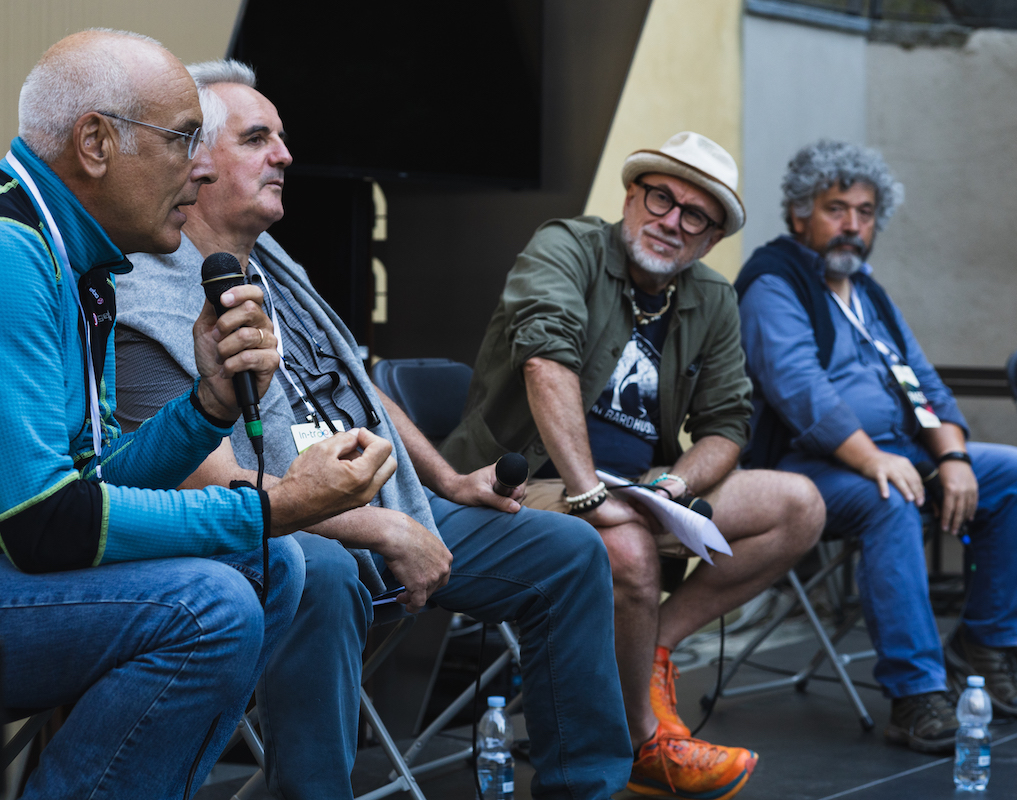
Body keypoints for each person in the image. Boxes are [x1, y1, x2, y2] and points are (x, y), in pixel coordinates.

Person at [113, 60, 630, 800]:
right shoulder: (141, 294)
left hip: (388, 497)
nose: (286, 155)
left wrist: (448, 482)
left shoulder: (276, 263)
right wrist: (381, 532)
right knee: (318, 572)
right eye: (259, 139)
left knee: (571, 550)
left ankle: (588, 787)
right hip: (283, 526)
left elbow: (361, 384)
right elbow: (212, 480)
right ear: (195, 162)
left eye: (281, 138)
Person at [0, 31, 396, 800]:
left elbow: (89, 482)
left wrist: (207, 404)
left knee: (275, 564)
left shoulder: (74, 261)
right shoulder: (11, 259)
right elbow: (45, 526)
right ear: (96, 142)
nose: (201, 166)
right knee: (211, 604)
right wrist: (271, 504)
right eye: (185, 140)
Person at [440, 131, 825, 799]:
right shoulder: (567, 246)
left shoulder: (712, 298)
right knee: (627, 546)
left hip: (640, 488)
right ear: (631, 196)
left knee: (799, 506)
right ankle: (645, 740)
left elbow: (728, 425)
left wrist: (673, 486)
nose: (671, 221)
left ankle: (646, 655)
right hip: (518, 485)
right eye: (661, 199)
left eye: (694, 215)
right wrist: (591, 495)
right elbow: (544, 360)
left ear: (708, 238)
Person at [735, 140, 1017, 755]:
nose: (853, 224)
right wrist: (877, 460)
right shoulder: (774, 282)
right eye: (836, 208)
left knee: (1015, 473)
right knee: (890, 498)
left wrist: (953, 458)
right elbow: (802, 393)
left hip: (901, 451)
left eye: (867, 211)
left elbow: (923, 383)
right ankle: (916, 694)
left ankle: (982, 648)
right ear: (800, 214)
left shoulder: (867, 291)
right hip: (804, 470)